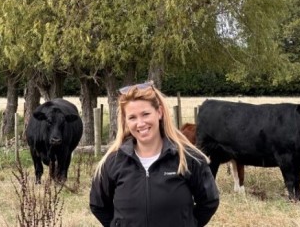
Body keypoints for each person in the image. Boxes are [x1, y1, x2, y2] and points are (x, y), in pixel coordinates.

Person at [89, 81, 219, 227]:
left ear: (159, 112)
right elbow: (98, 205)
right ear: (125, 121)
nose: (140, 123)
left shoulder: (188, 158)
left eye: (145, 114)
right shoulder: (113, 162)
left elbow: (209, 202)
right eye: (132, 117)